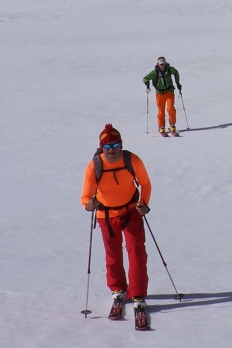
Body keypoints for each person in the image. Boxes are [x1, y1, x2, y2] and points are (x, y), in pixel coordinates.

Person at [81, 123, 152, 328]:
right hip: (106, 214)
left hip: (131, 211)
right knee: (112, 254)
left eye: (115, 145)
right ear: (101, 148)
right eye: (107, 147)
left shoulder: (132, 160)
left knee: (136, 251)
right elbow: (85, 196)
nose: (111, 150)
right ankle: (118, 291)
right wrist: (88, 205)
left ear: (121, 145)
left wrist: (144, 204)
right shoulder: (94, 166)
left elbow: (145, 184)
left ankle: (137, 293)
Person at [143, 56, 182, 137]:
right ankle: (161, 127)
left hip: (169, 91)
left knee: (171, 109)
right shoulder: (155, 72)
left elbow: (176, 72)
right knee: (161, 111)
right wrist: (147, 83)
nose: (162, 65)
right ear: (158, 64)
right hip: (160, 93)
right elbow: (145, 78)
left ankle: (172, 126)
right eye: (161, 64)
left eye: (163, 64)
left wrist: (177, 82)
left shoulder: (170, 69)